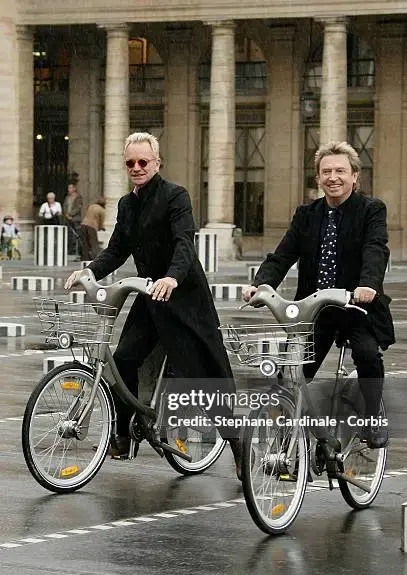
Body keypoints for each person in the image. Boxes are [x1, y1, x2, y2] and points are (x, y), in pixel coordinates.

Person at [65, 131, 242, 477]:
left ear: (156, 162)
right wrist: (88, 270)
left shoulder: (176, 196)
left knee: (199, 375)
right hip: (150, 298)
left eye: (143, 161)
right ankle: (124, 432)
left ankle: (237, 443)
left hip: (184, 298)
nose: (136, 167)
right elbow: (116, 250)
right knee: (123, 360)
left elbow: (184, 244)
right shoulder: (127, 205)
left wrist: (173, 276)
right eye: (130, 162)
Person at [243, 141, 395, 449]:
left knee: (366, 355)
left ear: (355, 176)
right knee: (291, 373)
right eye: (326, 171)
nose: (333, 177)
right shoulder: (307, 214)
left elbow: (375, 250)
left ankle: (372, 418)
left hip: (356, 307)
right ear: (317, 178)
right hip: (313, 310)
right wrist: (261, 285)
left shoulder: (371, 210)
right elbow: (282, 255)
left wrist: (368, 285)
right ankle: (287, 440)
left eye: (340, 170)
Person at [78, 196, 106, 261]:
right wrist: (101, 228)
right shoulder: (102, 210)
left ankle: (85, 258)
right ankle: (96, 258)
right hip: (92, 226)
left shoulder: (91, 206)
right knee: (94, 243)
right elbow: (101, 222)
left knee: (85, 243)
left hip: (83, 224)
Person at [63, 183, 84, 255]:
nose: (69, 189)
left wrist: (70, 214)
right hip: (68, 218)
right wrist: (66, 214)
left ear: (74, 188)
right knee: (69, 235)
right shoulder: (67, 197)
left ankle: (78, 251)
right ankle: (70, 250)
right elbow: (64, 206)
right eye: (68, 188)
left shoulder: (78, 197)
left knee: (77, 235)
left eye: (70, 188)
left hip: (75, 219)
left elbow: (78, 207)